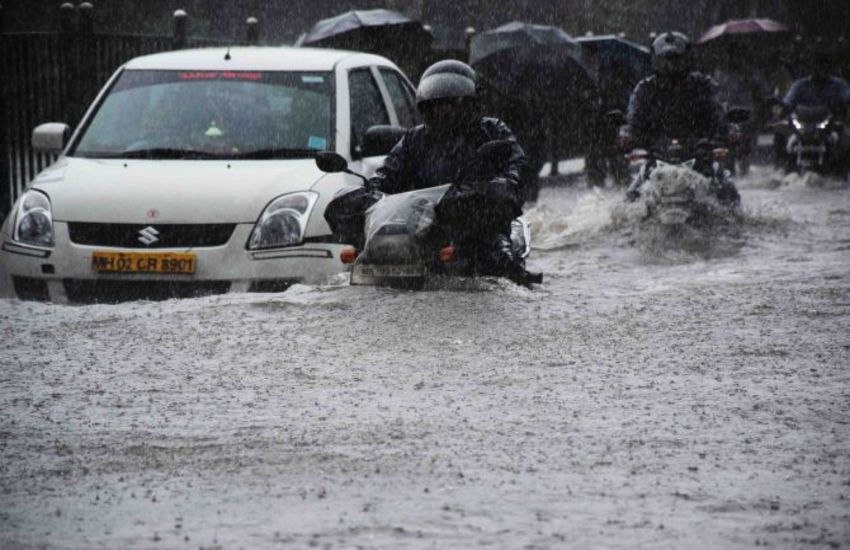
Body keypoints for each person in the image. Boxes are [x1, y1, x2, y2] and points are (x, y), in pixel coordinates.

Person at [367, 60, 538, 285]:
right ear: (427, 107)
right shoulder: (414, 139)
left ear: (470, 104)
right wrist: (370, 192)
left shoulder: (491, 130)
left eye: (451, 104)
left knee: (497, 254)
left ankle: (518, 282)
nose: (443, 111)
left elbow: (518, 163)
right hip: (422, 224)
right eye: (437, 105)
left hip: (478, 221)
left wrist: (503, 183)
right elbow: (387, 173)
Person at [618, 32, 740, 204]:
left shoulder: (703, 85)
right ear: (656, 61)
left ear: (686, 59)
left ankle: (734, 217)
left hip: (699, 151)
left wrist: (729, 128)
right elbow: (633, 117)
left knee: (727, 190)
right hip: (657, 152)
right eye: (665, 60)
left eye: (676, 60)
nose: (670, 66)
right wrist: (627, 133)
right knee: (631, 197)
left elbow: (719, 110)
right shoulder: (645, 88)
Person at [777, 49, 850, 173]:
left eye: (822, 66)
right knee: (780, 138)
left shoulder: (839, 85)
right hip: (803, 125)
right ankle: (783, 169)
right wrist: (782, 109)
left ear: (828, 68)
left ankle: (843, 171)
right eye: (816, 67)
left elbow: (847, 96)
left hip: (832, 124)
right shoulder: (800, 85)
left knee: (846, 141)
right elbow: (788, 101)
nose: (819, 70)